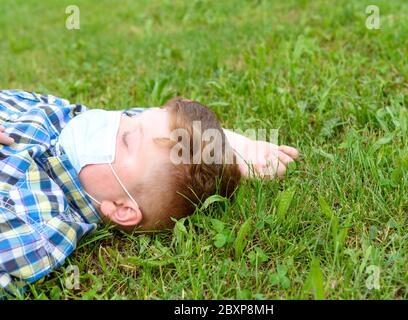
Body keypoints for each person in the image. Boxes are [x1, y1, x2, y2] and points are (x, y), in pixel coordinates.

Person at [0, 90, 298, 296]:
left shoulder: (38, 223)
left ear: (122, 208)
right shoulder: (73, 128)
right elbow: (150, 121)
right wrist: (234, 147)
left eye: (128, 138)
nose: (116, 120)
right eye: (132, 121)